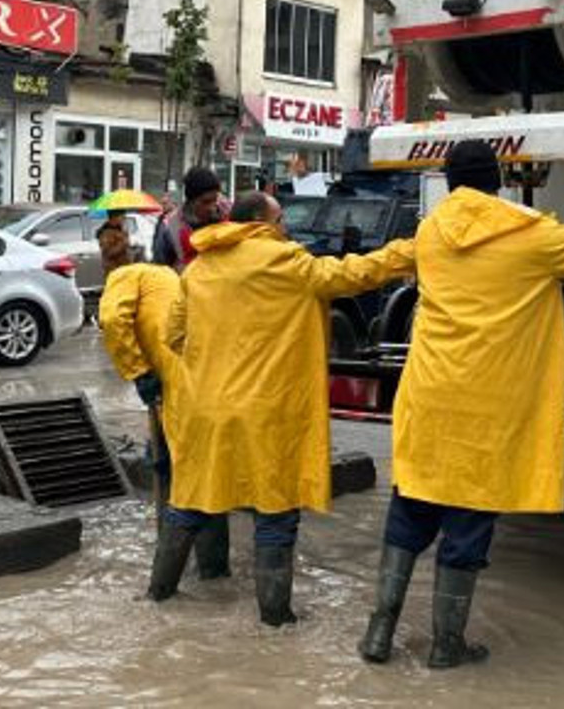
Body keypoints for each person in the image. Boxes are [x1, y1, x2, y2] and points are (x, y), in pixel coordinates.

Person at [357, 140, 564, 669]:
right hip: (488, 405)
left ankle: (379, 633)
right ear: (497, 182)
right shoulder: (534, 238)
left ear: (451, 183)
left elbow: (370, 268)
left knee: (412, 505)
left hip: (429, 398)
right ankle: (447, 646)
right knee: (468, 516)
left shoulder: (430, 233)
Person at [150, 191, 416, 626]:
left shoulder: (199, 268)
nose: (285, 228)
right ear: (261, 223)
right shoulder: (287, 263)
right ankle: (276, 621)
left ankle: (157, 596)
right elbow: (355, 273)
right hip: (267, 413)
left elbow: (173, 335)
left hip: (206, 410)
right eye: (280, 220)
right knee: (274, 511)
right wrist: (411, 250)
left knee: (191, 500)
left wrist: (217, 359)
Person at [96, 235, 231, 581]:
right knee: (207, 476)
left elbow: (112, 319)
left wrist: (138, 372)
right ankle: (214, 574)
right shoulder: (167, 276)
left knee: (184, 481)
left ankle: (163, 586)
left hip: (177, 387)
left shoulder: (124, 276)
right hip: (209, 380)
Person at [151, 167, 228, 271]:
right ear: (191, 201)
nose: (212, 208)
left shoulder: (225, 218)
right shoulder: (169, 228)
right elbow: (159, 270)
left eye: (215, 200)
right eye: (206, 202)